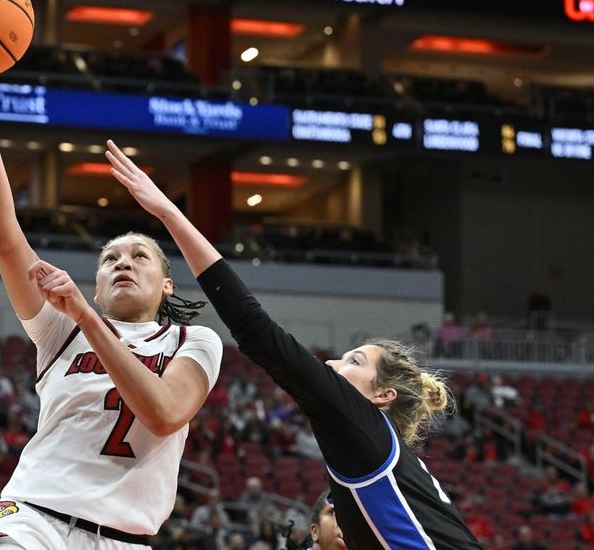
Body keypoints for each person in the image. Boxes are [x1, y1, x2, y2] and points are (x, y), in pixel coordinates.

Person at [0, 30, 222, 550]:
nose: (122, 263)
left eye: (138, 256)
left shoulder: (194, 343)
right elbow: (4, 237)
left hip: (124, 538)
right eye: (109, 259)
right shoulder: (59, 327)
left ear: (168, 284)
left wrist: (86, 317)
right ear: (98, 286)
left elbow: (164, 414)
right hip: (32, 517)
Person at [106, 142, 481, 549]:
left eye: (355, 361)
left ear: (383, 396)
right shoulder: (375, 454)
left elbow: (256, 330)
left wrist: (168, 214)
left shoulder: (361, 423)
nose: (335, 363)